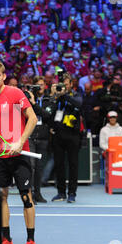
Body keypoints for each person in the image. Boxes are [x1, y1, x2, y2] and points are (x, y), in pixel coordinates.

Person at [0, 60, 38, 244]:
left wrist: (20, 142)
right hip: (0, 155)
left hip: (20, 154)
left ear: (3, 76)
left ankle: (31, 241)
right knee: (2, 197)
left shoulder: (15, 93)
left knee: (26, 197)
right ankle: (6, 239)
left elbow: (32, 118)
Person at [47, 72, 83, 203]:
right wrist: (53, 96)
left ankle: (72, 192)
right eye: (62, 85)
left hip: (73, 135)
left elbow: (79, 104)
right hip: (58, 135)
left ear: (71, 85)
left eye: (66, 85)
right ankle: (61, 192)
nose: (63, 87)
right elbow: (48, 111)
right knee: (59, 165)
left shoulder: (76, 94)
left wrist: (65, 95)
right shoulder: (57, 97)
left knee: (73, 165)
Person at [26, 75, 52, 203]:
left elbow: (47, 115)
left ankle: (38, 193)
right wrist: (29, 100)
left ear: (45, 86)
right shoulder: (27, 98)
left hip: (43, 136)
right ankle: (30, 193)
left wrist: (34, 104)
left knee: (39, 166)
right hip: (30, 135)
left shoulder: (48, 99)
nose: (40, 87)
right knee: (31, 166)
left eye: (42, 84)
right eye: (37, 85)